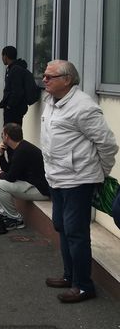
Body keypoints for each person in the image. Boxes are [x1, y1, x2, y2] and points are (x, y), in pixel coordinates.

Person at [41, 60, 118, 303]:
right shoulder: (51, 102)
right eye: (44, 76)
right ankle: (69, 275)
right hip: (57, 177)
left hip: (78, 180)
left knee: (76, 232)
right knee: (61, 227)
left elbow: (107, 144)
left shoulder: (84, 107)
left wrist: (99, 173)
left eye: (49, 76)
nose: (44, 80)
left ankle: (84, 285)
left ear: (67, 80)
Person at [0, 123, 50, 230]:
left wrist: (1, 173)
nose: (1, 136)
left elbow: (11, 177)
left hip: (40, 190)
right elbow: (9, 170)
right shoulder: (19, 147)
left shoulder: (22, 151)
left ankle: (15, 219)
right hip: (29, 183)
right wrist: (1, 154)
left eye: (2, 134)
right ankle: (4, 214)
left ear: (7, 136)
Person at [0, 46, 30, 125]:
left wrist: (9, 105)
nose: (2, 58)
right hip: (15, 108)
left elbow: (17, 91)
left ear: (5, 56)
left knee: (12, 132)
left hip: (14, 110)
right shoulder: (13, 68)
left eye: (2, 56)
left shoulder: (15, 70)